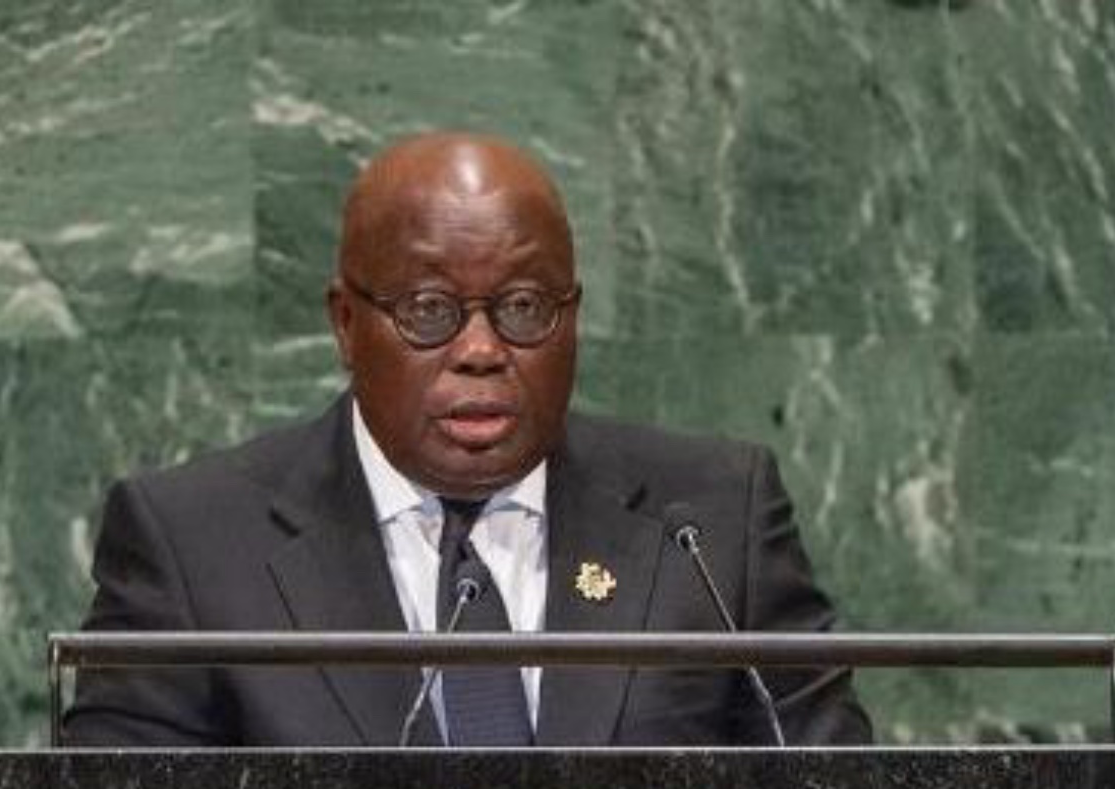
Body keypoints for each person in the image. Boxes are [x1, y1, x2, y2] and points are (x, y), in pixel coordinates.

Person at [62, 132, 870, 747]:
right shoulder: (193, 546)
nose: (481, 350)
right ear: (346, 324)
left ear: (573, 319)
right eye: (428, 311)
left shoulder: (710, 522)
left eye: (524, 308)